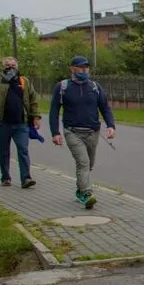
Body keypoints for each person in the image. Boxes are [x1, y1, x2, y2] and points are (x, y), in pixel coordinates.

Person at [48, 55, 116, 209]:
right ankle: (87, 193)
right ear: (72, 69)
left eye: (86, 67)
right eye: (81, 67)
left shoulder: (95, 87)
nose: (84, 70)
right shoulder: (63, 87)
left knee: (88, 164)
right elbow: (53, 111)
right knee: (83, 162)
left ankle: (79, 190)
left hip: (92, 132)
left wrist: (111, 125)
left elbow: (105, 108)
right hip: (72, 131)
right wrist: (55, 133)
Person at [0, 57, 40, 188]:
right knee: (3, 151)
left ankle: (26, 178)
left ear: (17, 66)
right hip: (2, 123)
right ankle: (5, 177)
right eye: (7, 65)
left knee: (23, 150)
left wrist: (36, 116)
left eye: (13, 65)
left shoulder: (24, 81)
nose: (10, 67)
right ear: (3, 66)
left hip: (21, 123)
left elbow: (33, 99)